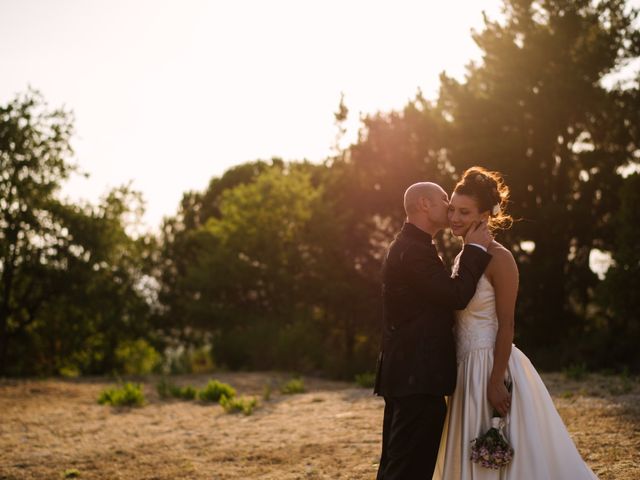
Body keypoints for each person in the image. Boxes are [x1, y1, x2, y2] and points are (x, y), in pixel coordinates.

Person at [433, 166, 598, 479]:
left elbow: (507, 324)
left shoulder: (501, 258)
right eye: (452, 209)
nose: (454, 217)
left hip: (490, 365)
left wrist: (496, 381)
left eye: (464, 212)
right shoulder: (463, 255)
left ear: (485, 214)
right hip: (463, 369)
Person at [374, 181, 493, 479]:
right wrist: (476, 249)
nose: (449, 207)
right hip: (417, 377)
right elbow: (455, 295)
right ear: (425, 204)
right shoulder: (413, 251)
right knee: (407, 468)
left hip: (409, 375)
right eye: (444, 200)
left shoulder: (412, 246)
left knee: (397, 462)